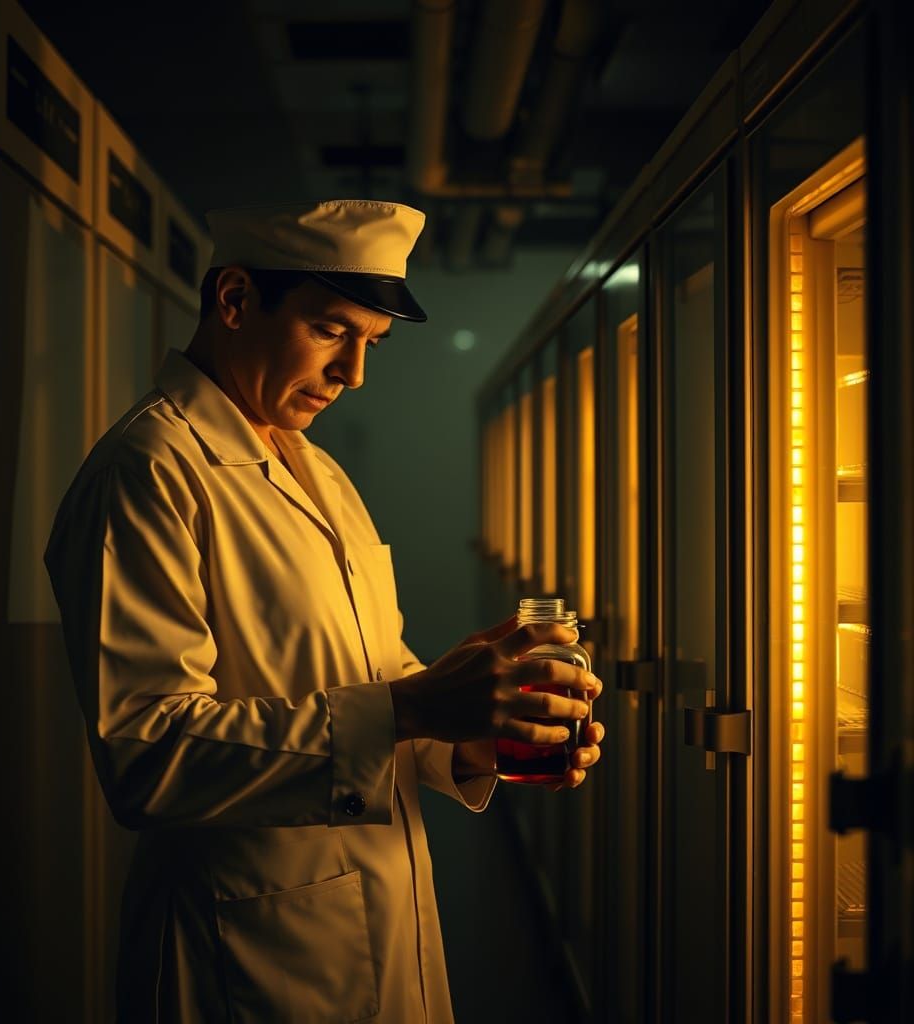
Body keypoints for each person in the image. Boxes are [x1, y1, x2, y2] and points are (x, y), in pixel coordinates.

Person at [44, 199, 605, 1023]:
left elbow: (369, 674)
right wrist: (413, 706)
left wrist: (471, 730)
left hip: (378, 917)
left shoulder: (316, 470)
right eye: (332, 331)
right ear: (234, 300)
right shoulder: (149, 472)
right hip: (245, 951)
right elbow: (146, 753)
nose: (355, 374)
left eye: (372, 343)